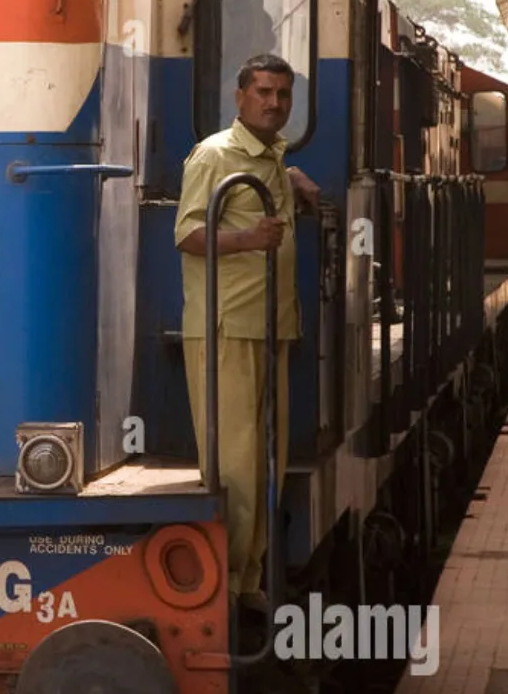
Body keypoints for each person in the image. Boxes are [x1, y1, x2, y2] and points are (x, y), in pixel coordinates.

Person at [173, 54, 319, 614]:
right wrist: (248, 238)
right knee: (234, 462)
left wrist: (293, 179)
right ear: (239, 97)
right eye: (262, 92)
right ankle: (225, 586)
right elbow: (186, 233)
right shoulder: (215, 155)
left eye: (282, 94)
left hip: (270, 326)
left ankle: (249, 579)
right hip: (226, 327)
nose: (274, 103)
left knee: (265, 462)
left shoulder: (273, 157)